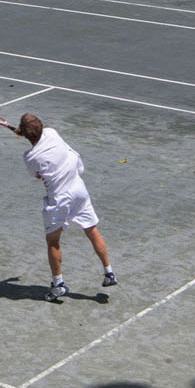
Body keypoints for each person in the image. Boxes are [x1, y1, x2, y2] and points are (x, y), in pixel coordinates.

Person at [14, 112, 116, 301]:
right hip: (79, 190)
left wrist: (26, 136)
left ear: (26, 135)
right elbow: (42, 138)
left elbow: (36, 175)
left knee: (53, 242)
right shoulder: (52, 133)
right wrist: (26, 133)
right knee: (92, 230)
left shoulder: (30, 158)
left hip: (59, 199)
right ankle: (109, 272)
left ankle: (58, 285)